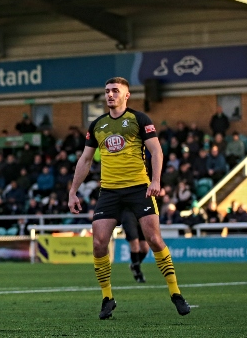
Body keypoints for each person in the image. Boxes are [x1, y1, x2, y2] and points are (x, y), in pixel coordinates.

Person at [68, 77, 189, 320]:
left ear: (127, 95)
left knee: (154, 239)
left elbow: (156, 151)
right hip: (110, 191)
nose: (110, 95)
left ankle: (176, 293)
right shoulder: (97, 125)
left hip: (138, 188)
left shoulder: (139, 119)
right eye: (106, 91)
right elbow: (85, 159)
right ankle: (107, 297)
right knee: (99, 243)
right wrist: (73, 191)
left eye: (115, 90)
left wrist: (155, 181)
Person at [120, 209, 148, 283]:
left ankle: (134, 265)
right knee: (134, 242)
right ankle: (138, 272)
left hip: (141, 211)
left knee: (145, 248)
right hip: (128, 214)